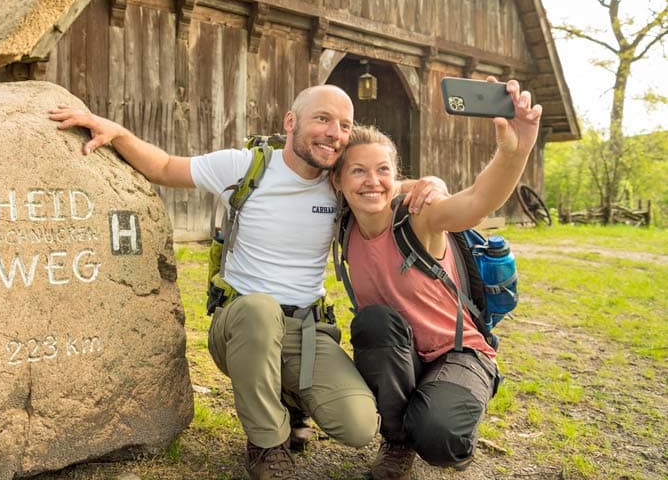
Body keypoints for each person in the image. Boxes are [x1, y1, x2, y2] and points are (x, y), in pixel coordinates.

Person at [51, 84, 444, 480]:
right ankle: (267, 445)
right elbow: (165, 167)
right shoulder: (245, 167)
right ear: (290, 122)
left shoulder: (340, 181)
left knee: (357, 426)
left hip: (306, 330)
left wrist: (431, 184)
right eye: (322, 119)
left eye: (345, 125)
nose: (334, 133)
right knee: (260, 310)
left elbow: (388, 185)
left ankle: (290, 401)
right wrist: (118, 133)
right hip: (241, 322)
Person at [331, 78, 541, 480]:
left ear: (396, 177)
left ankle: (446, 417)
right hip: (402, 354)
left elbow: (477, 201)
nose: (372, 181)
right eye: (358, 171)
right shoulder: (342, 225)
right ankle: (397, 443)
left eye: (382, 170)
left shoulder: (419, 217)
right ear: (338, 181)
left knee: (439, 435)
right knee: (373, 323)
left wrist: (515, 152)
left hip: (458, 350)